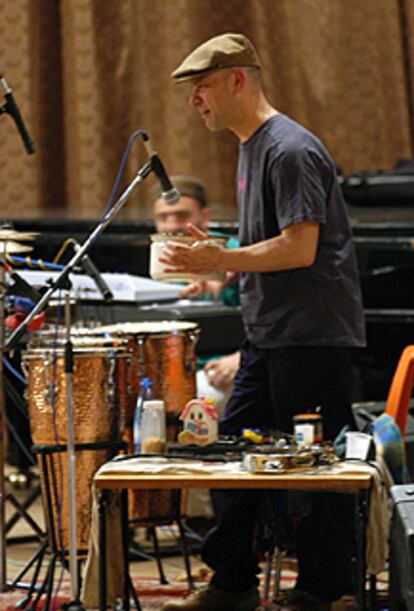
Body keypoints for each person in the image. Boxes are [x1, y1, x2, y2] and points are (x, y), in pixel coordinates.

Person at [159, 33, 366, 611]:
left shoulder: (290, 149)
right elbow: (270, 247)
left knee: (315, 470)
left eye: (201, 88)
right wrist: (218, 260)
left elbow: (300, 249)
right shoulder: (252, 147)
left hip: (311, 336)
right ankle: (232, 583)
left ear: (237, 80)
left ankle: (327, 589)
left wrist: (223, 258)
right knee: (231, 457)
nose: (195, 101)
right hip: (270, 334)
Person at [151, 174, 241, 412]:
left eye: (182, 216)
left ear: (205, 216)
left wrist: (240, 357)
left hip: (218, 368)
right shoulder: (159, 257)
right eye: (163, 218)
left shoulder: (232, 253)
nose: (172, 226)